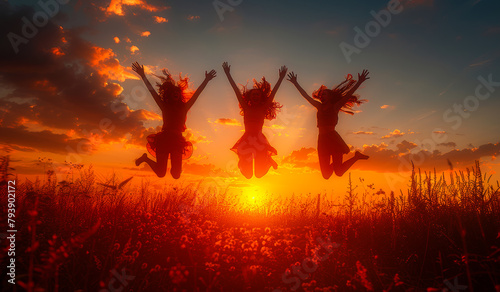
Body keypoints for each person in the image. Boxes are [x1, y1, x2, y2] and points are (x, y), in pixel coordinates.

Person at [132, 61, 216, 178]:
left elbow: (196, 94)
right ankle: (145, 159)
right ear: (170, 94)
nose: (176, 94)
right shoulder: (164, 106)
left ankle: (149, 160)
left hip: (177, 141)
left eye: (178, 92)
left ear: (179, 95)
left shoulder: (185, 107)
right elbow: (152, 92)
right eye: (174, 92)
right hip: (164, 139)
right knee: (161, 173)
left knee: (176, 174)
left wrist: (206, 80)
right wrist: (143, 75)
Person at [287, 70, 370, 179]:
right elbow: (306, 96)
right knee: (326, 175)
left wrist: (359, 82)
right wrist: (295, 83)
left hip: (333, 138)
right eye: (321, 95)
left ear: (330, 96)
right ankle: (339, 164)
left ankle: (356, 157)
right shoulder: (319, 106)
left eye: (324, 94)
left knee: (339, 172)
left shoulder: (335, 107)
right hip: (322, 140)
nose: (322, 96)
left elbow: (348, 95)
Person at [222, 62, 287, 178]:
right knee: (248, 175)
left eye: (258, 94)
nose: (256, 96)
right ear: (250, 97)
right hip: (246, 138)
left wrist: (281, 78)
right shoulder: (246, 107)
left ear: (261, 97)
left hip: (259, 139)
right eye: (253, 94)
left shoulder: (263, 108)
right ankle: (242, 161)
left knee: (258, 174)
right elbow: (236, 91)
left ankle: (267, 160)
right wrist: (228, 74)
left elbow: (274, 93)